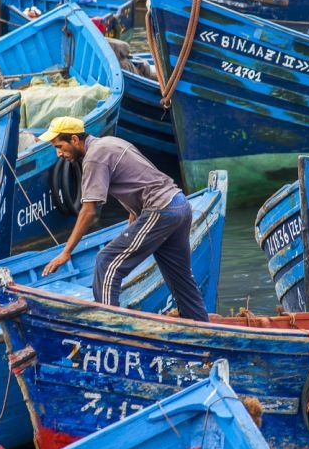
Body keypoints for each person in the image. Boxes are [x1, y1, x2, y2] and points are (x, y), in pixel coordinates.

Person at [39, 116, 210, 322]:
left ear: (75, 140)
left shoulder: (94, 158)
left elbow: (89, 210)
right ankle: (203, 328)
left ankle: (110, 329)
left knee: (107, 261)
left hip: (161, 210)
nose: (59, 153)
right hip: (179, 204)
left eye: (60, 146)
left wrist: (66, 253)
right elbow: (139, 176)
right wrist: (135, 214)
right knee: (180, 278)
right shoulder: (111, 142)